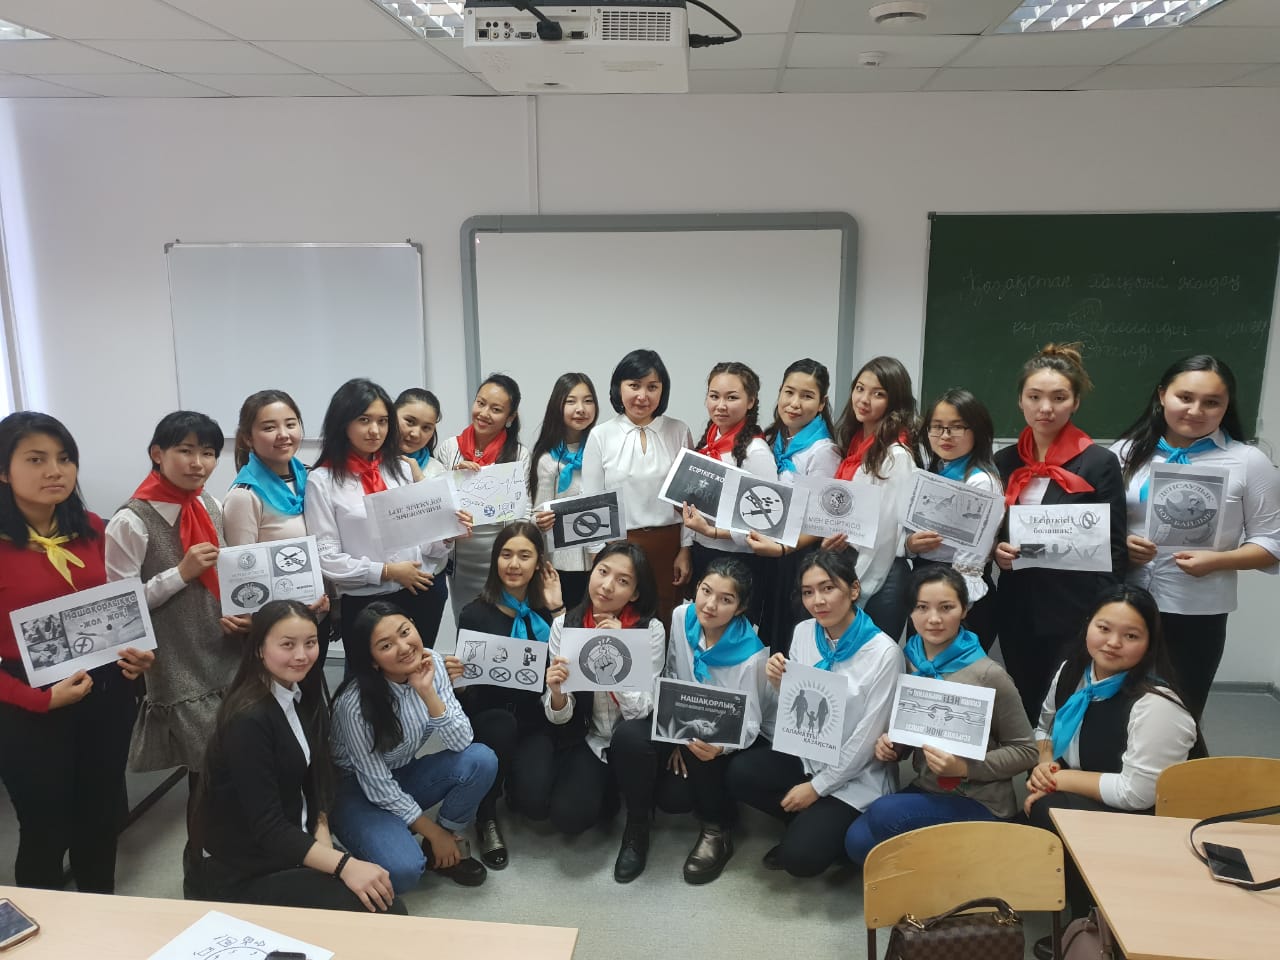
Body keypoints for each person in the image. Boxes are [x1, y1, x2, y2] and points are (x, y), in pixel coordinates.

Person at [0, 412, 154, 892]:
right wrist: (41, 700)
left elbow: (116, 609)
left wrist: (136, 655)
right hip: (29, 702)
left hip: (105, 693)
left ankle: (100, 915)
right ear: (3, 471)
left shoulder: (91, 528)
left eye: (65, 458)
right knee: (45, 829)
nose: (55, 471)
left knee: (100, 819)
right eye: (36, 459)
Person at [1024, 585, 1201, 958]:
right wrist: (1044, 764)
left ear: (1149, 643)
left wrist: (1057, 780)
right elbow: (1043, 728)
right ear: (1088, 625)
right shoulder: (1074, 671)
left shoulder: (1156, 705)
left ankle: (1100, 927)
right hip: (1092, 792)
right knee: (1036, 810)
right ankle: (1085, 918)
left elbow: (1138, 793)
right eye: (1103, 628)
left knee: (1047, 808)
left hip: (1151, 819)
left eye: (1131, 636)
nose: (1113, 643)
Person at [198, 600, 403, 913]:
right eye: (287, 644)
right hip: (245, 868)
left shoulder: (298, 691)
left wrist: (324, 838)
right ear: (258, 649)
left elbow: (314, 776)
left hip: (292, 838)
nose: (301, 655)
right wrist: (342, 864)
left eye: (310, 643)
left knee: (381, 892)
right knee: (384, 908)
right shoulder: (249, 720)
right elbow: (268, 828)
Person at [105, 409, 236, 886]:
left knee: (228, 764)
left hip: (224, 649)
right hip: (177, 659)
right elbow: (120, 609)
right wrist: (179, 573)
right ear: (157, 454)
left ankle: (229, 857)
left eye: (209, 452)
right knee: (205, 768)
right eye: (185, 450)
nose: (198, 462)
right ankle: (197, 866)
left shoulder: (210, 505)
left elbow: (227, 575)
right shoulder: (130, 520)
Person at [1112, 356, 1280, 719]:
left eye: (1211, 402)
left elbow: (1272, 543)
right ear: (1162, 395)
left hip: (1197, 611)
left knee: (1178, 713)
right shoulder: (1123, 453)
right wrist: (1120, 544)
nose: (1195, 410)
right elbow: (1096, 523)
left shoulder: (1249, 461)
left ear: (1227, 406)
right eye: (1185, 397)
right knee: (1113, 708)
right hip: (1123, 602)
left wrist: (1218, 560)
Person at [727, 548, 903, 878]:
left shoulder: (884, 654)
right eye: (808, 592)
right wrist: (780, 684)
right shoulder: (805, 632)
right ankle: (809, 822)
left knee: (800, 860)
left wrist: (818, 788)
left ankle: (827, 827)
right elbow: (797, 710)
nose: (817, 601)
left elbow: (867, 742)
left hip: (857, 775)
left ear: (853, 589)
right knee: (740, 772)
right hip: (810, 755)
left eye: (828, 588)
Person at [843, 567, 1035, 865]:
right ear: (910, 611)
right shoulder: (908, 660)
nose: (933, 619)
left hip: (979, 800)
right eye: (922, 607)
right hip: (928, 787)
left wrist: (965, 767)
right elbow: (913, 731)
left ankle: (978, 851)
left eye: (946, 608)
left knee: (883, 813)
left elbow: (1026, 750)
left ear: (965, 609)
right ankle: (953, 862)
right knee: (857, 844)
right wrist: (894, 746)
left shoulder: (987, 674)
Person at [609, 557, 771, 884]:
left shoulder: (751, 654)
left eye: (725, 600)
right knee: (628, 736)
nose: (710, 605)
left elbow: (751, 723)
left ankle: (717, 828)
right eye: (706, 591)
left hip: (718, 739)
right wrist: (673, 736)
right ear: (696, 588)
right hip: (680, 722)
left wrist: (719, 748)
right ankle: (637, 826)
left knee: (691, 769)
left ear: (740, 608)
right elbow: (671, 674)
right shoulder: (683, 616)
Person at [994, 343, 1127, 721]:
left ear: (1075, 403)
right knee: (1025, 693)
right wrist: (997, 550)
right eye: (1034, 396)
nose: (1045, 408)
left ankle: (1062, 758)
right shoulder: (1005, 461)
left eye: (1058, 397)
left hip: (1076, 605)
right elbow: (995, 530)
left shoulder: (1098, 462)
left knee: (1066, 698)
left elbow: (1115, 547)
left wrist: (1104, 612)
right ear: (1020, 401)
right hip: (1019, 603)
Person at [330, 601, 498, 893]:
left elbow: (462, 741)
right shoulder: (354, 705)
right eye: (386, 645)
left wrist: (427, 692)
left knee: (481, 759)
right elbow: (376, 784)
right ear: (372, 660)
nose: (404, 647)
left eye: (405, 631)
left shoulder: (432, 663)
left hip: (400, 772)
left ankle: (439, 848)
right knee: (404, 871)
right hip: (354, 790)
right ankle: (381, 834)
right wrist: (430, 830)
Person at [304, 378, 467, 651]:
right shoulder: (322, 480)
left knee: (418, 668)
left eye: (382, 421)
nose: (375, 430)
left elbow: (426, 544)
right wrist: (388, 572)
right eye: (364, 420)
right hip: (367, 601)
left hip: (420, 591)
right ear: (342, 423)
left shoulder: (401, 469)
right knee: (367, 674)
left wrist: (448, 534)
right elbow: (327, 558)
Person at [542, 542, 666, 882]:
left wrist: (621, 653)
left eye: (623, 581)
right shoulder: (565, 625)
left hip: (635, 735)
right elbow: (560, 717)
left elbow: (642, 709)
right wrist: (556, 693)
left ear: (636, 592)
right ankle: (611, 787)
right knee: (569, 818)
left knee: (629, 737)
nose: (608, 586)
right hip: (591, 737)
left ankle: (638, 825)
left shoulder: (649, 630)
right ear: (591, 572)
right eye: (603, 572)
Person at [444, 520, 565, 870]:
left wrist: (558, 610)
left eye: (524, 556)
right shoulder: (474, 614)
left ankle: (513, 776)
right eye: (506, 555)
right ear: (495, 560)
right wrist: (457, 683)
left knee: (536, 805)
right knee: (500, 725)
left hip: (534, 718)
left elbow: (568, 667)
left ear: (539, 562)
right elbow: (466, 693)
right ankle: (485, 816)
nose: (514, 564)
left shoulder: (547, 611)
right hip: (490, 719)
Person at [223, 390, 331, 680]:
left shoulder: (312, 478)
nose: (283, 434)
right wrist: (261, 621)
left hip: (316, 618)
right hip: (276, 631)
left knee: (311, 699)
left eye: (290, 424)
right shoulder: (245, 495)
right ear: (248, 438)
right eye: (269, 427)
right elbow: (243, 572)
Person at [581, 349, 693, 628]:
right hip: (619, 548)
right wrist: (598, 556)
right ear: (619, 388)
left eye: (652, 387)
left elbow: (689, 499)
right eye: (634, 385)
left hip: (668, 545)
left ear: (662, 391)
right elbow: (591, 501)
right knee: (621, 622)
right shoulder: (601, 435)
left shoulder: (678, 430)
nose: (643, 396)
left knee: (665, 619)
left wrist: (686, 548)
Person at [750, 358, 842, 651]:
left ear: (821, 403)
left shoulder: (823, 451)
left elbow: (821, 522)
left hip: (798, 556)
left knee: (788, 640)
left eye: (807, 396)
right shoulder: (772, 439)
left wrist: (782, 549)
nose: (794, 403)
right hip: (769, 551)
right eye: (789, 392)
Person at [678, 362, 777, 625]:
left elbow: (766, 524)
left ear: (751, 401)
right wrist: (689, 545)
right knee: (702, 630)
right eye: (714, 396)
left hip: (740, 562)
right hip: (703, 553)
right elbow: (692, 504)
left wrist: (713, 531)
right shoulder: (708, 442)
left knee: (731, 634)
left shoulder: (756, 452)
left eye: (731, 398)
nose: (720, 405)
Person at [906, 389, 1003, 650]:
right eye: (937, 427)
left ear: (977, 430)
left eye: (957, 427)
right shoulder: (932, 473)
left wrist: (952, 607)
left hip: (960, 594)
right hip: (925, 585)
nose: (945, 436)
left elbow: (970, 561)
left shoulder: (981, 481)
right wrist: (910, 545)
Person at [829, 356, 919, 640]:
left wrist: (857, 589)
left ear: (895, 402)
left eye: (878, 394)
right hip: (851, 565)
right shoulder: (856, 444)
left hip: (878, 574)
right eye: (860, 389)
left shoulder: (895, 455)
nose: (864, 399)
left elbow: (884, 536)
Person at [437, 374, 532, 618]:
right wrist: (454, 479)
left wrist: (517, 556)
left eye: (496, 409)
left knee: (502, 625)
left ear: (510, 418)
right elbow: (437, 507)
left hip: (502, 560)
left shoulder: (518, 454)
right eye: (480, 403)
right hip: (461, 562)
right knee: (466, 622)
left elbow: (525, 511)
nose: (484, 413)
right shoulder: (450, 448)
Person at [529, 372, 599, 610]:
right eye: (571, 401)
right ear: (557, 406)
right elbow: (534, 513)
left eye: (588, 401)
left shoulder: (602, 450)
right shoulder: (547, 458)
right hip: (560, 564)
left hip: (600, 561)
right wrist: (540, 520)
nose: (581, 409)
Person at [394, 387, 442, 472]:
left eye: (426, 427)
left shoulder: (436, 471)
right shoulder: (370, 460)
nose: (416, 434)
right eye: (410, 421)